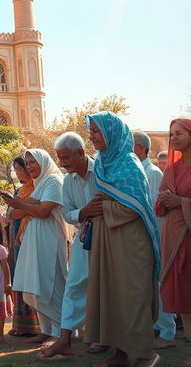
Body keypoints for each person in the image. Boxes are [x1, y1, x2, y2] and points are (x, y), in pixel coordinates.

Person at [85, 111, 160, 367]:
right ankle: (121, 354)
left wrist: (102, 206)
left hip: (131, 242)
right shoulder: (104, 162)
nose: (92, 136)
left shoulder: (129, 164)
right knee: (112, 297)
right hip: (109, 238)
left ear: (111, 133)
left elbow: (134, 208)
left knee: (132, 298)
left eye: (96, 131)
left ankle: (146, 354)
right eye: (91, 131)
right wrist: (100, 205)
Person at [40, 132, 102, 359]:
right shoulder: (68, 181)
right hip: (84, 237)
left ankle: (103, 336)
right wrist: (84, 212)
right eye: (60, 158)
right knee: (75, 284)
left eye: (66, 158)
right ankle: (65, 340)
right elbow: (68, 213)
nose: (62, 163)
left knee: (105, 286)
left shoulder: (103, 173)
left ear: (81, 153)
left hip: (109, 238)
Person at [2, 148, 67, 345]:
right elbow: (12, 214)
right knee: (35, 283)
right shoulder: (38, 185)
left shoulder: (54, 181)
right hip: (33, 239)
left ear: (44, 162)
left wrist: (21, 206)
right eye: (27, 162)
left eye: (33, 162)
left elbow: (44, 211)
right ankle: (46, 329)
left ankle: (58, 332)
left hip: (49, 240)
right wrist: (26, 206)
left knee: (51, 282)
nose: (29, 166)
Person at [134, 131, 177, 350]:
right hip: (142, 237)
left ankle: (167, 331)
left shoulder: (152, 173)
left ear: (140, 148)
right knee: (148, 284)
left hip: (155, 236)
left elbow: (154, 207)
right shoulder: (139, 171)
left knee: (161, 283)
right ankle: (153, 326)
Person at [156, 118, 191, 361]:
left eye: (179, 133)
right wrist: (166, 200)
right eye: (171, 134)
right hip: (174, 240)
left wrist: (182, 202)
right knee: (184, 298)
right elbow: (159, 202)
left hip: (189, 237)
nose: (174, 137)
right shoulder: (171, 169)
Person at [6, 155, 40, 337]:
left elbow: (18, 213)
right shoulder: (19, 191)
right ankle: (20, 324)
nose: (17, 172)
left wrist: (17, 211)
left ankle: (35, 325)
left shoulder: (36, 189)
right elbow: (12, 214)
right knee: (17, 278)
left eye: (19, 168)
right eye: (16, 169)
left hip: (27, 237)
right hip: (15, 239)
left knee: (28, 279)